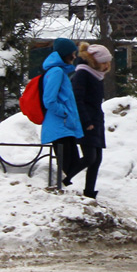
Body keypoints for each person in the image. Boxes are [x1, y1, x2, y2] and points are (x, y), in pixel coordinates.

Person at [68, 42, 111, 200]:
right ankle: (65, 178)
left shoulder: (97, 74)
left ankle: (89, 192)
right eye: (103, 62)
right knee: (89, 157)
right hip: (87, 120)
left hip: (96, 119)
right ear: (94, 61)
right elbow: (78, 99)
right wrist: (87, 121)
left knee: (97, 159)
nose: (106, 66)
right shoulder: (83, 74)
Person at [41, 37, 84, 187]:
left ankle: (68, 191)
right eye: (72, 53)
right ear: (65, 54)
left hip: (63, 126)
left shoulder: (59, 72)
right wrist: (64, 113)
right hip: (59, 125)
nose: (74, 56)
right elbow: (49, 100)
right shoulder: (57, 72)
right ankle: (65, 193)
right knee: (69, 166)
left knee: (72, 164)